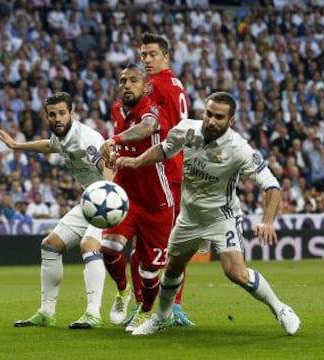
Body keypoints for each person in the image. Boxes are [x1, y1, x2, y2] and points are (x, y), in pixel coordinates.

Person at [115, 91, 301, 336]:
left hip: (221, 217)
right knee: (172, 269)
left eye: (219, 117)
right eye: (209, 114)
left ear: (231, 121)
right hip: (190, 217)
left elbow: (272, 185)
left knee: (235, 272)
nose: (212, 121)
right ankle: (161, 318)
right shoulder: (187, 130)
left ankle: (280, 309)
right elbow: (164, 149)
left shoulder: (239, 149)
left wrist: (267, 222)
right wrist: (137, 161)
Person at [0, 91, 111, 329]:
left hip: (108, 201)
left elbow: (108, 168)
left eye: (62, 113)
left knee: (88, 245)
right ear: (47, 117)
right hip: (89, 201)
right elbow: (49, 145)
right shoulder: (61, 137)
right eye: (52, 115)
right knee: (50, 245)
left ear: (72, 114)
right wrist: (16, 145)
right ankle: (47, 312)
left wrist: (108, 201)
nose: (57, 119)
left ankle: (93, 314)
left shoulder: (87, 138)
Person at [99, 63, 175, 332]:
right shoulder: (117, 109)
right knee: (108, 248)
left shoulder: (153, 110)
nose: (127, 85)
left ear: (146, 86)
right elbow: (118, 148)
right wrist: (112, 156)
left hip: (156, 201)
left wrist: (115, 140)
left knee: (150, 271)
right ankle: (122, 292)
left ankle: (146, 311)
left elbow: (146, 128)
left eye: (133, 80)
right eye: (123, 81)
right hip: (126, 196)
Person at [124, 32, 193, 326]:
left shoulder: (156, 87)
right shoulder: (175, 84)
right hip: (163, 170)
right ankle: (162, 305)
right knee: (166, 242)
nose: (148, 60)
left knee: (162, 243)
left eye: (153, 54)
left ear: (166, 56)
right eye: (143, 55)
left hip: (167, 172)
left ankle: (159, 305)